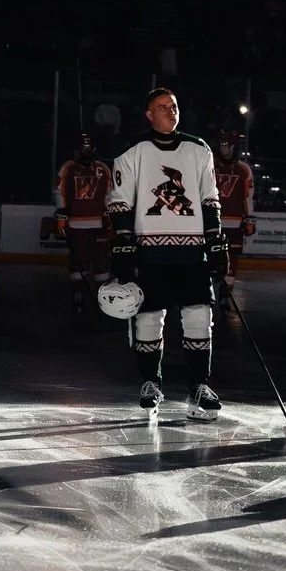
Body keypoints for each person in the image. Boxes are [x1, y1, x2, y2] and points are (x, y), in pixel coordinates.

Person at [106, 87, 228, 419]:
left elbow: (210, 198)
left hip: (192, 252)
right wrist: (123, 242)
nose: (171, 112)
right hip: (150, 251)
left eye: (174, 106)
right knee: (148, 319)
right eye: (162, 108)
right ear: (149, 115)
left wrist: (216, 242)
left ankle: (199, 386)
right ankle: (150, 382)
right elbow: (120, 200)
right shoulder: (133, 150)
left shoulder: (199, 149)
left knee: (200, 318)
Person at [53, 132, 113, 312]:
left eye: (89, 147)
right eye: (83, 148)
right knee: (79, 263)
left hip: (99, 224)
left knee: (102, 263)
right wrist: (62, 217)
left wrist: (110, 217)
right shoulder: (68, 168)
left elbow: (110, 195)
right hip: (76, 224)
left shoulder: (103, 168)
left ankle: (102, 300)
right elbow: (59, 192)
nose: (86, 151)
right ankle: (77, 296)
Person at [211, 129, 256, 302]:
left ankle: (226, 290)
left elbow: (248, 196)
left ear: (233, 146)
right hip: (211, 220)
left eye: (224, 144)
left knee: (232, 256)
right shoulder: (209, 165)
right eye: (219, 144)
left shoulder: (243, 169)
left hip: (234, 221)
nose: (221, 148)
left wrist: (249, 218)